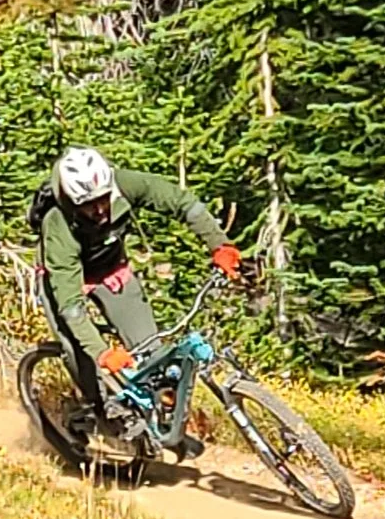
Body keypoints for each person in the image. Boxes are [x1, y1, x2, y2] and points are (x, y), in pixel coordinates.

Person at [34, 144, 241, 446]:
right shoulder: (58, 225)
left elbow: (182, 203)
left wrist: (218, 244)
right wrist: (102, 352)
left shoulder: (123, 183)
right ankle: (94, 412)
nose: (101, 210)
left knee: (152, 354)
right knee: (83, 357)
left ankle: (160, 425)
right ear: (72, 203)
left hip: (111, 273)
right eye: (89, 206)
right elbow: (70, 305)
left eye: (104, 200)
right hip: (66, 284)